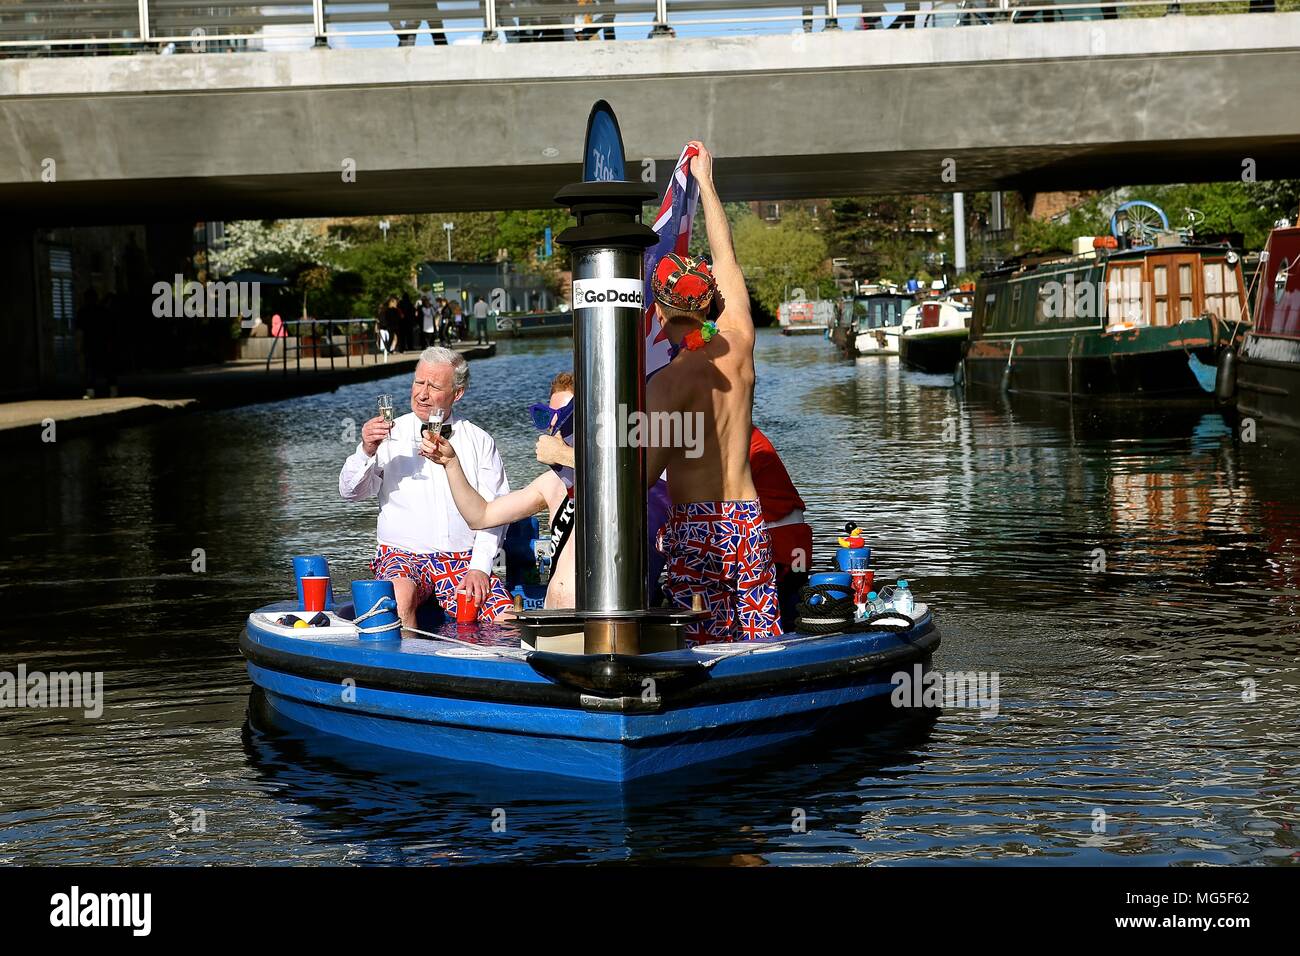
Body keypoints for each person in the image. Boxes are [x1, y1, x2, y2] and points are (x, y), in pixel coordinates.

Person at [646, 142, 781, 642]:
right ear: (711, 303)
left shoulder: (669, 382)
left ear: (660, 312)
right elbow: (728, 260)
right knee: (761, 642)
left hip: (695, 525)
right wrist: (706, 182)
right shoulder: (741, 342)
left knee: (701, 646)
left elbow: (643, 474)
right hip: (746, 518)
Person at [338, 347, 514, 628]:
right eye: (419, 382)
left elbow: (497, 512)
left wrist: (480, 567)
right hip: (401, 554)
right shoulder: (388, 434)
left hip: (462, 558)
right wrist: (366, 450)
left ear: (457, 394)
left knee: (506, 618)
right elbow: (349, 493)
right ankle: (409, 668)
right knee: (400, 594)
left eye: (433, 386)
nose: (422, 394)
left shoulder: (479, 440)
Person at [428, 372, 579, 609]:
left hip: (600, 625)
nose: (552, 426)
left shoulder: (616, 485)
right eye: (548, 416)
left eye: (566, 417)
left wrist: (565, 455)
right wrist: (451, 463)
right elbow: (481, 516)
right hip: (554, 621)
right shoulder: (550, 484)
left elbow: (622, 468)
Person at [749, 426, 812, 632]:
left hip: (777, 542)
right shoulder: (745, 431)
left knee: (787, 606)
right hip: (797, 542)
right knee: (795, 603)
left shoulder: (724, 434)